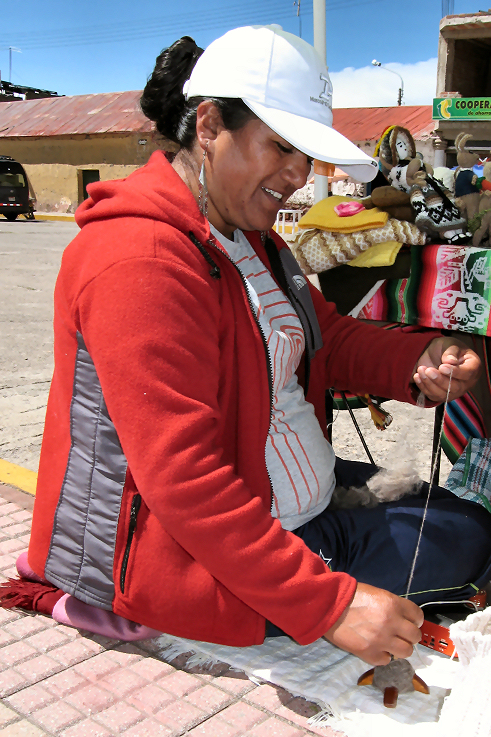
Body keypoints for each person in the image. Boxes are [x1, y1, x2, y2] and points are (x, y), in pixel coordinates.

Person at [5, 26, 491, 668]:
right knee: (466, 540)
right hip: (205, 553)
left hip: (295, 500)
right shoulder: (138, 259)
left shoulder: (255, 241)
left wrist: (416, 360)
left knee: (459, 521)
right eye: (282, 148)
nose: (299, 176)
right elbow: (185, 480)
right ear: (208, 125)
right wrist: (330, 606)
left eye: (306, 155)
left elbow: (327, 338)